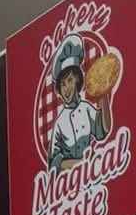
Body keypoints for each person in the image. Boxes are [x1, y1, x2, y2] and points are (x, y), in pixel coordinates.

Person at [47, 35, 110, 166]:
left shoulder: (86, 108)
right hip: (73, 175)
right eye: (62, 84)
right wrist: (79, 164)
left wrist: (103, 94)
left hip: (91, 169)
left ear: (77, 80)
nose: (66, 88)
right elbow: (53, 162)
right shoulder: (59, 122)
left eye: (70, 80)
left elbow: (103, 131)